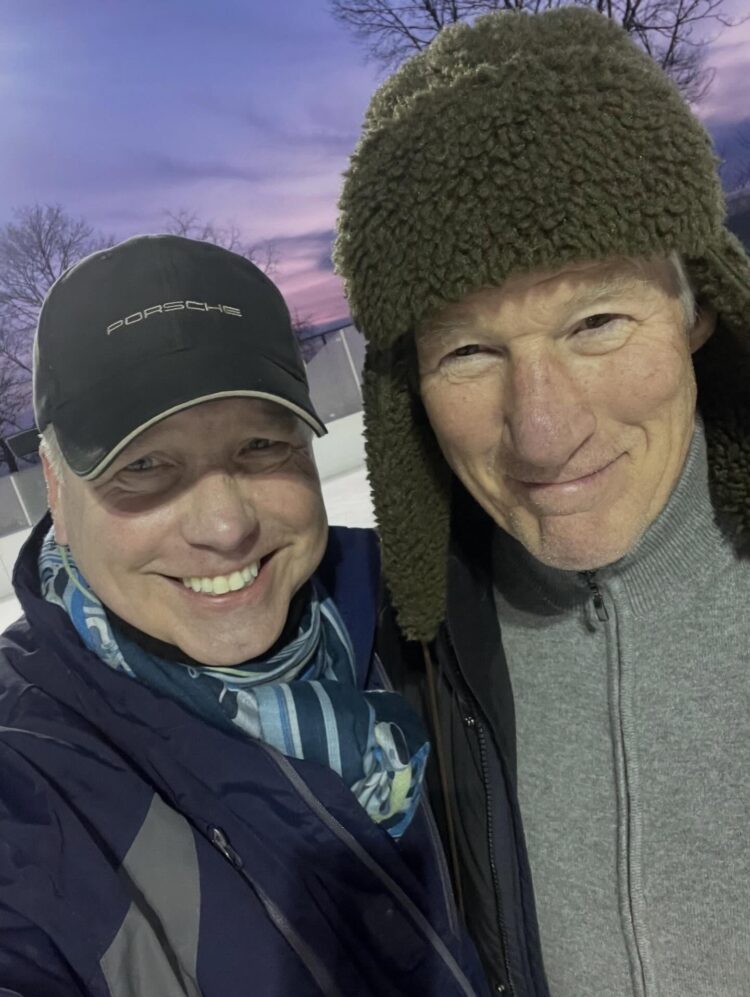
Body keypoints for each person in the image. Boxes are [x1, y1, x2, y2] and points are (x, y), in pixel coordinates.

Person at [334, 8, 750, 997]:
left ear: (698, 307)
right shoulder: (405, 655)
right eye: (470, 351)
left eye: (597, 319)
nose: (544, 428)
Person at [0, 234, 487, 996]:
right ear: (56, 491)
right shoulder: (27, 786)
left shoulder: (431, 611)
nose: (225, 526)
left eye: (262, 443)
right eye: (145, 465)